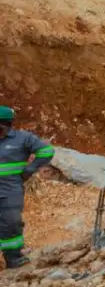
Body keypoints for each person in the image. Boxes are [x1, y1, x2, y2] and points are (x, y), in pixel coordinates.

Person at [0, 106, 55, 269]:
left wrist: (30, 169)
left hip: (10, 190)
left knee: (11, 222)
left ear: (6, 124)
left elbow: (46, 151)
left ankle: (13, 258)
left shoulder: (23, 138)